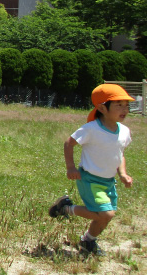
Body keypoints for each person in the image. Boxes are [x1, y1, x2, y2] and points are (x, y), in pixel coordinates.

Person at [49, 84, 135, 256]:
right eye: (119, 104)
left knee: (104, 216)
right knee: (106, 214)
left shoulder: (124, 131)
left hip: (109, 181)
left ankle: (88, 241)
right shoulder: (91, 129)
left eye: (126, 105)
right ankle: (66, 209)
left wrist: (123, 173)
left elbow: (120, 155)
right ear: (102, 107)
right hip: (89, 179)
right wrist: (71, 167)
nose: (124, 109)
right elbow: (69, 143)